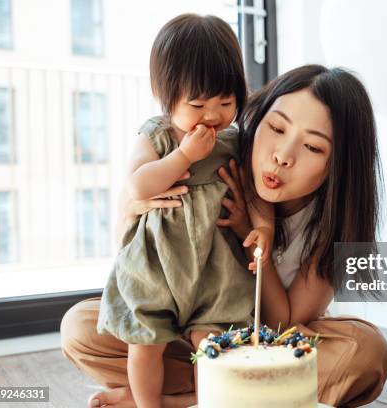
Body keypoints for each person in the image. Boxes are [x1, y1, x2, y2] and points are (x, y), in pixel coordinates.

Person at [61, 64, 387, 408]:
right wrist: (130, 208)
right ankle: (226, 392)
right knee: (82, 327)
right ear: (256, 119)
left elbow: (282, 323)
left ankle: (182, 399)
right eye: (276, 128)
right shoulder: (215, 158)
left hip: (266, 344)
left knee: (364, 352)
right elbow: (135, 260)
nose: (282, 155)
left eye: (312, 147)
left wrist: (249, 233)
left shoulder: (333, 225)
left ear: (340, 164)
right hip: (183, 331)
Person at [93, 14, 268, 408]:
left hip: (214, 267)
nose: (212, 115)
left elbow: (254, 195)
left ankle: (208, 402)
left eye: (226, 102)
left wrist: (262, 228)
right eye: (198, 103)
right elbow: (138, 184)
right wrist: (184, 155)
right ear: (164, 94)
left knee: (214, 348)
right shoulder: (155, 133)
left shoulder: (235, 141)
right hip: (156, 264)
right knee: (144, 346)